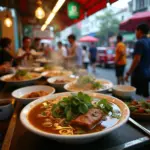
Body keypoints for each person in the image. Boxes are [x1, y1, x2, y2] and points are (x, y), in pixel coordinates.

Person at [125, 23, 150, 97]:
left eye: (136, 31)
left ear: (139, 31)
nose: (135, 33)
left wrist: (128, 73)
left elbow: (137, 60)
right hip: (147, 73)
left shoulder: (139, 42)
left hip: (138, 75)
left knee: (136, 97)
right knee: (145, 96)